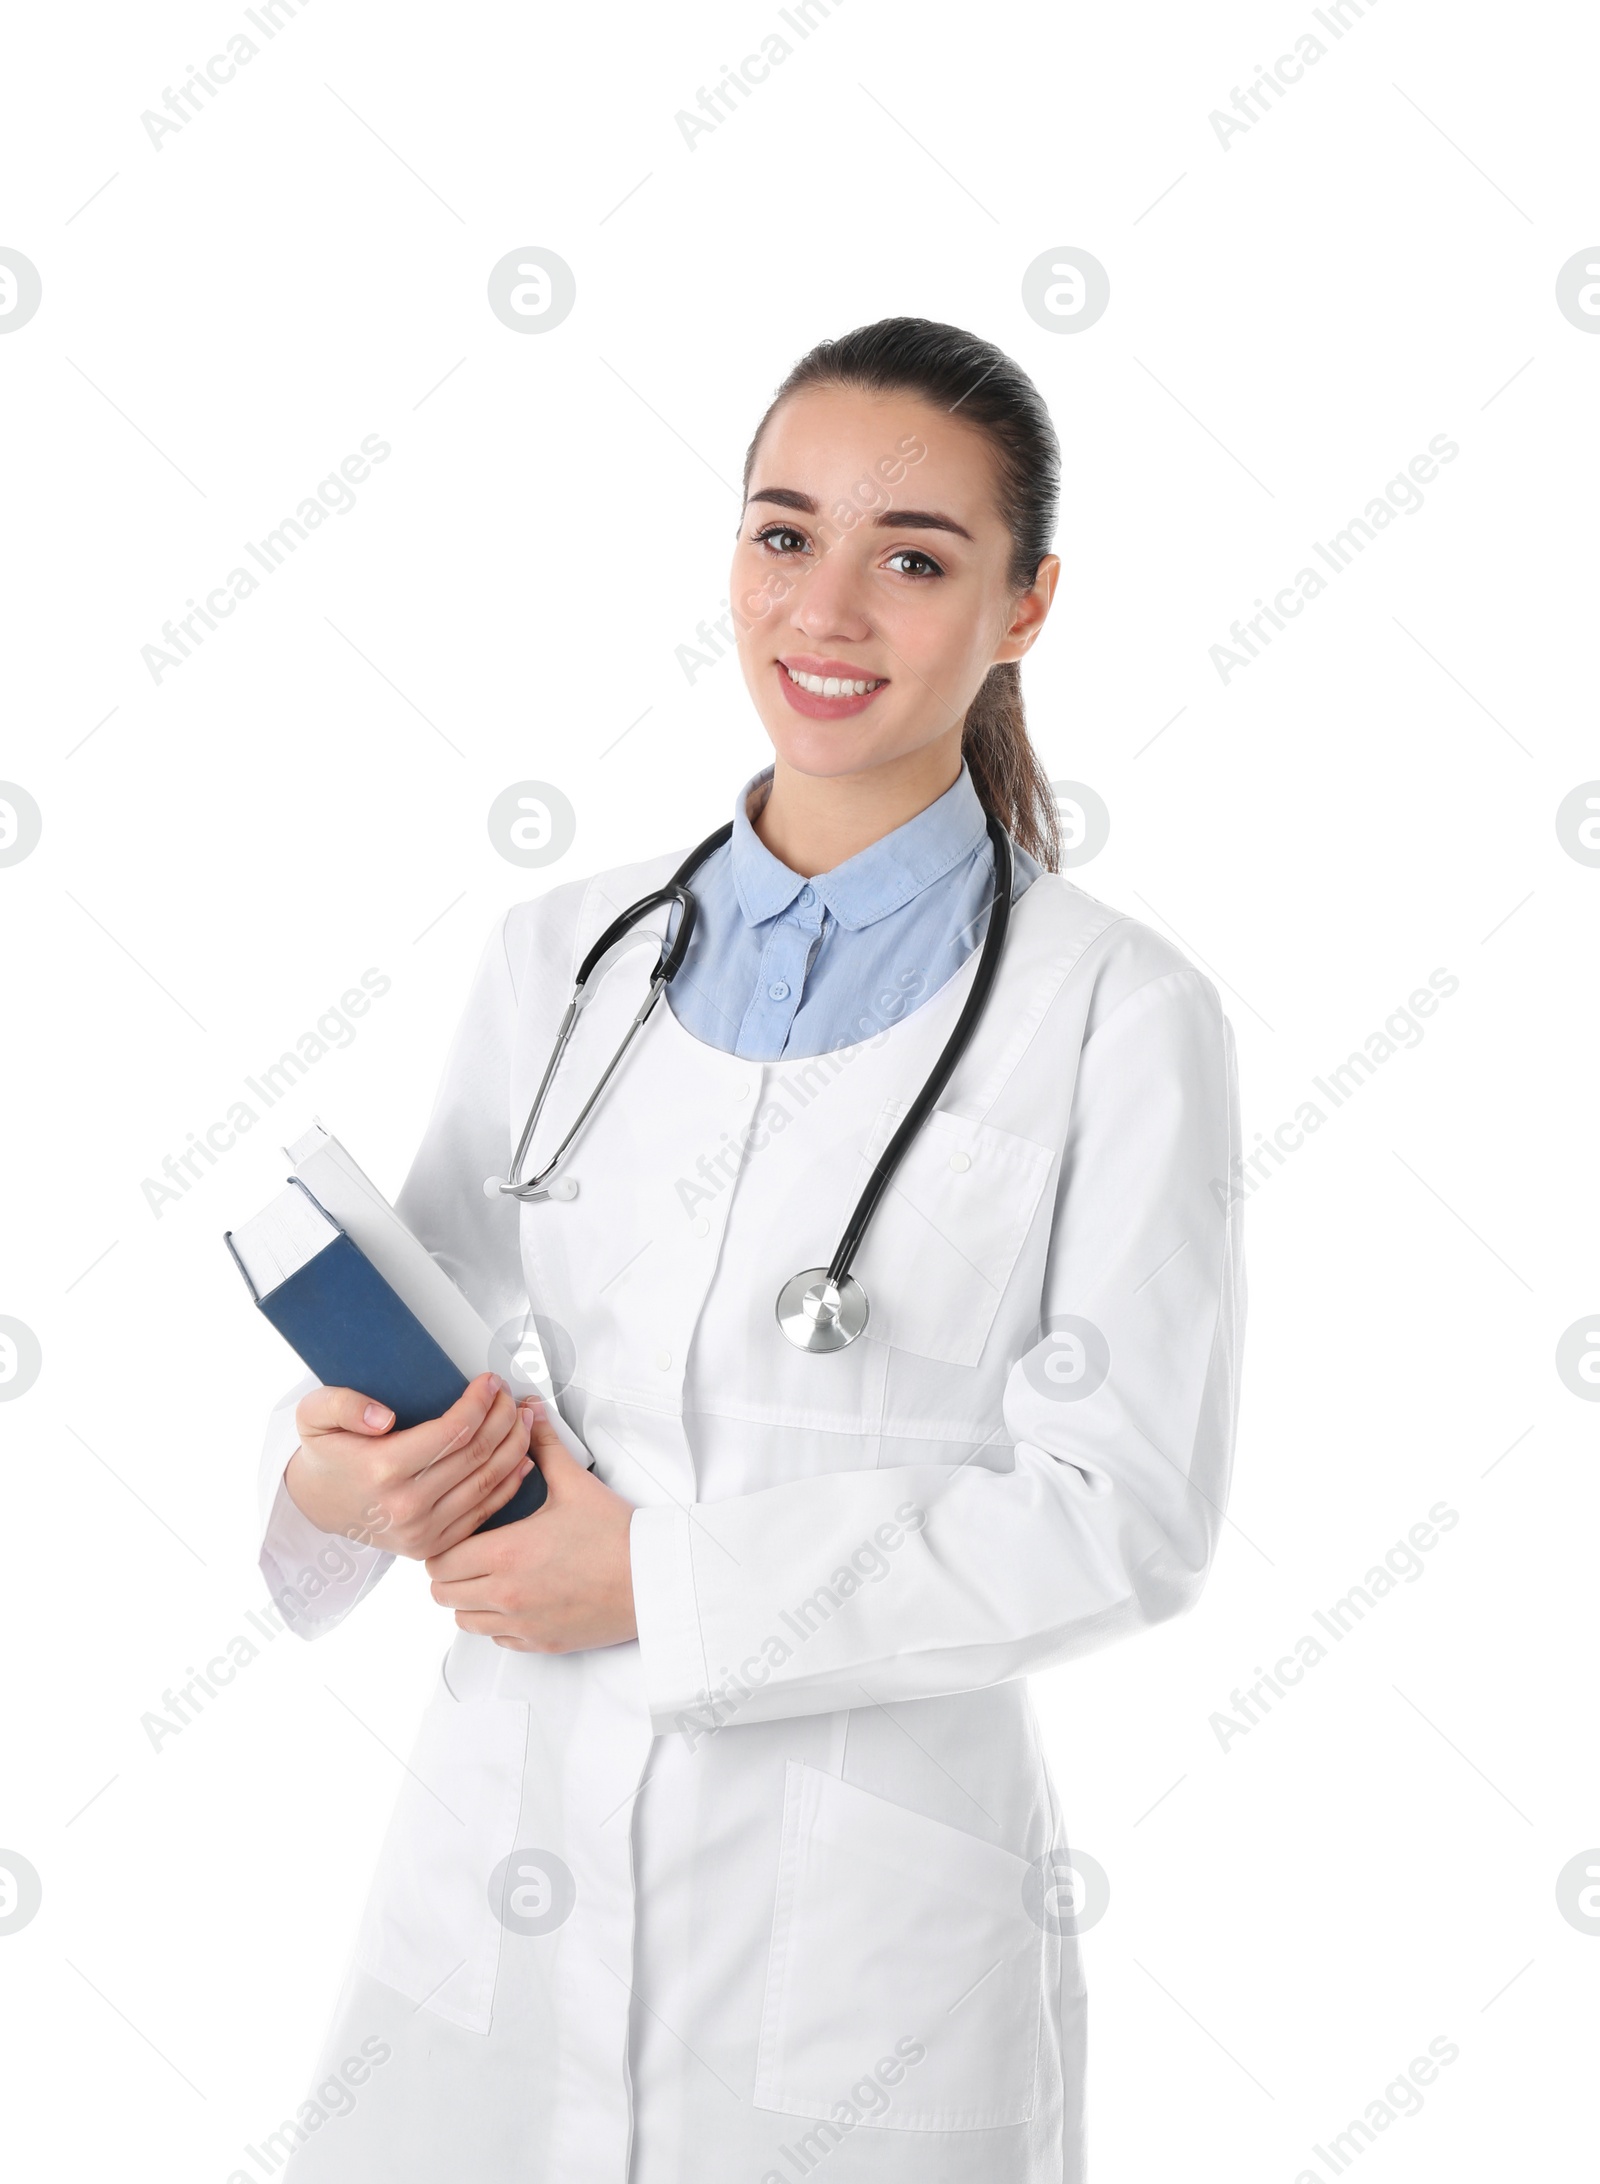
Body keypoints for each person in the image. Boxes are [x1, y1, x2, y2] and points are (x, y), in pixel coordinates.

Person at [255, 316, 1246, 2183]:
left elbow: (1125, 1513)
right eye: (786, 536)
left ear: (1025, 606)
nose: (832, 610)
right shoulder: (564, 959)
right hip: (496, 1881)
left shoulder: (1118, 1014)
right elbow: (424, 1352)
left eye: (917, 557)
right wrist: (340, 1477)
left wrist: (663, 1585)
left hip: (863, 1959)